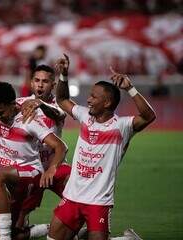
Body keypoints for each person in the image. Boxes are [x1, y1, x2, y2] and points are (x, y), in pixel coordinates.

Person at [46, 54, 156, 240]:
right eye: (89, 95)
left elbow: (148, 116)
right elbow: (63, 99)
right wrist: (64, 75)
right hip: (72, 196)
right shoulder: (84, 116)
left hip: (98, 201)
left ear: (107, 103)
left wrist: (130, 88)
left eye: (93, 97)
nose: (88, 100)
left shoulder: (121, 126)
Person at [0, 82, 68, 240]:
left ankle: (5, 237)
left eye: (1, 112)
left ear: (12, 104)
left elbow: (60, 146)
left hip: (30, 175)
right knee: (7, 236)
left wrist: (51, 169)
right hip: (8, 183)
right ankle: (50, 230)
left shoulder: (28, 120)